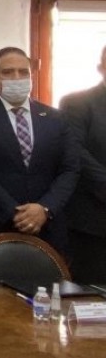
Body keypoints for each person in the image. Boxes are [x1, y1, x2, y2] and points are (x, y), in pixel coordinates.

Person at [0, 46, 78, 258]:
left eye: (23, 72)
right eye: (8, 72)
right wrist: (15, 213)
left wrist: (44, 209)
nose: (16, 77)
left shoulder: (56, 118)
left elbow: (70, 169)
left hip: (46, 228)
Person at [60, 44, 106, 282]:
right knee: (91, 297)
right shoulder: (77, 103)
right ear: (101, 67)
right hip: (92, 225)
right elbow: (75, 151)